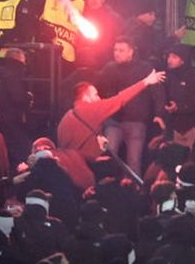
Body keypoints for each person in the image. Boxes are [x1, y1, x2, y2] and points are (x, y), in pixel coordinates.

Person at [56, 67, 165, 163]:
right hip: (86, 165)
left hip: (70, 163)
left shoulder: (67, 117)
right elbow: (120, 99)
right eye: (95, 95)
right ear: (86, 97)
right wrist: (146, 81)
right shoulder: (92, 110)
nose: (99, 98)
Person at [96, 37, 165, 175]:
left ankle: (134, 192)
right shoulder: (109, 69)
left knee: (134, 161)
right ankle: (108, 188)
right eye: (115, 50)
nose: (117, 53)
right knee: (109, 157)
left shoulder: (145, 68)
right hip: (113, 121)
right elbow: (99, 92)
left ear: (131, 52)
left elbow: (158, 93)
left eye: (121, 50)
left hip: (136, 122)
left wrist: (159, 114)